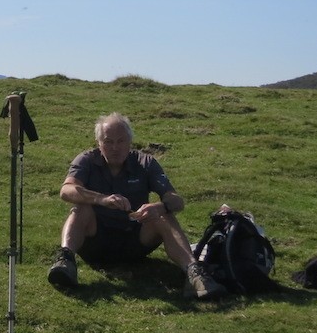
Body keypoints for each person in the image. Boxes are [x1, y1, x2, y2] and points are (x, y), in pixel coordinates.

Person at [48, 112, 224, 301]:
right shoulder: (86, 160)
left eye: (121, 141)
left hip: (134, 239)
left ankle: (194, 273)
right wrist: (101, 199)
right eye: (108, 142)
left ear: (130, 142)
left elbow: (176, 200)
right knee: (80, 208)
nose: (115, 147)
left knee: (165, 215)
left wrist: (159, 207)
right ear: (99, 143)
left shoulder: (145, 162)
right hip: (94, 242)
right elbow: (66, 190)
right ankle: (65, 260)